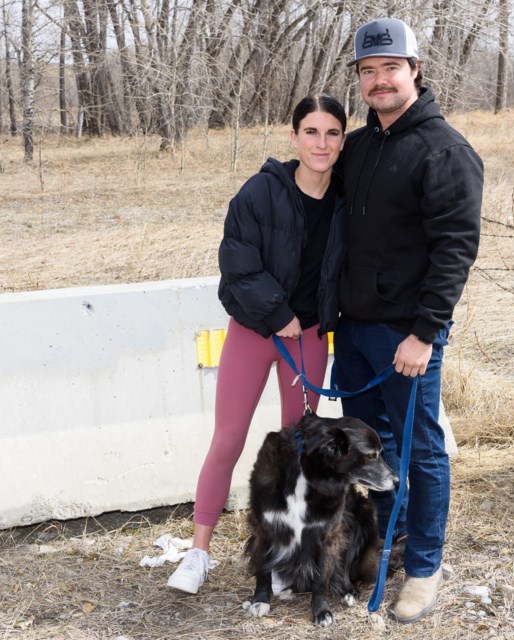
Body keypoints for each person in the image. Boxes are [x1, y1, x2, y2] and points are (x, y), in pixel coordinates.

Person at [333, 17, 483, 623]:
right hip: (355, 331)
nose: (379, 81)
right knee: (372, 447)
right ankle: (390, 537)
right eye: (368, 72)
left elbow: (455, 250)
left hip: (408, 336)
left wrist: (425, 333)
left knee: (422, 451)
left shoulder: (445, 151)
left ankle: (424, 567)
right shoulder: (362, 147)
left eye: (390, 68)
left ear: (415, 70)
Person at [167, 94, 347, 595]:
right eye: (311, 132)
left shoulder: (348, 200)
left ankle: (291, 557)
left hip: (310, 338)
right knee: (227, 440)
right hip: (254, 331)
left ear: (342, 141)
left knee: (299, 450)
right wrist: (277, 313)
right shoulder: (260, 192)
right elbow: (238, 263)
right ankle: (199, 553)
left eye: (332, 133)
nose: (321, 143)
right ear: (294, 137)